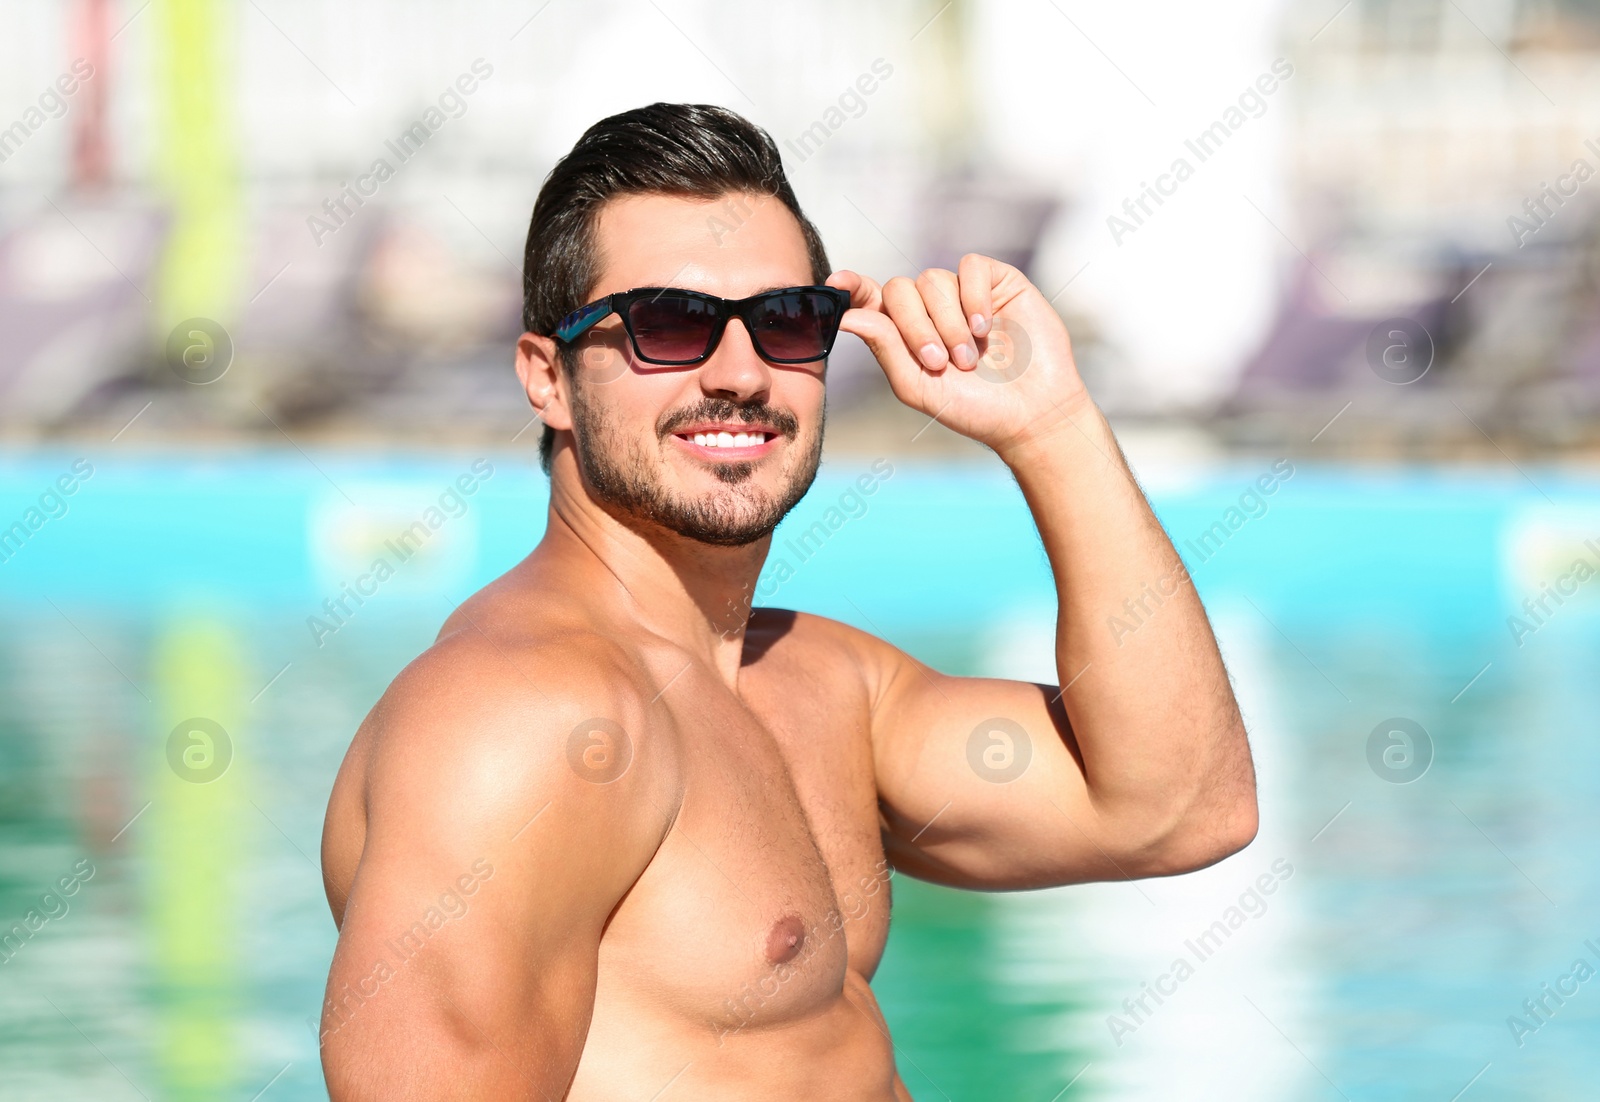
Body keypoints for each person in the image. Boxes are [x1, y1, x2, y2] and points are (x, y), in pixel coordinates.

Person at [318, 102, 1257, 1101]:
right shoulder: (521, 720)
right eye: (666, 324)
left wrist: (1050, 426)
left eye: (782, 322)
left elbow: (1180, 810)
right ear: (548, 378)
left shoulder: (821, 682)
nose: (738, 373)